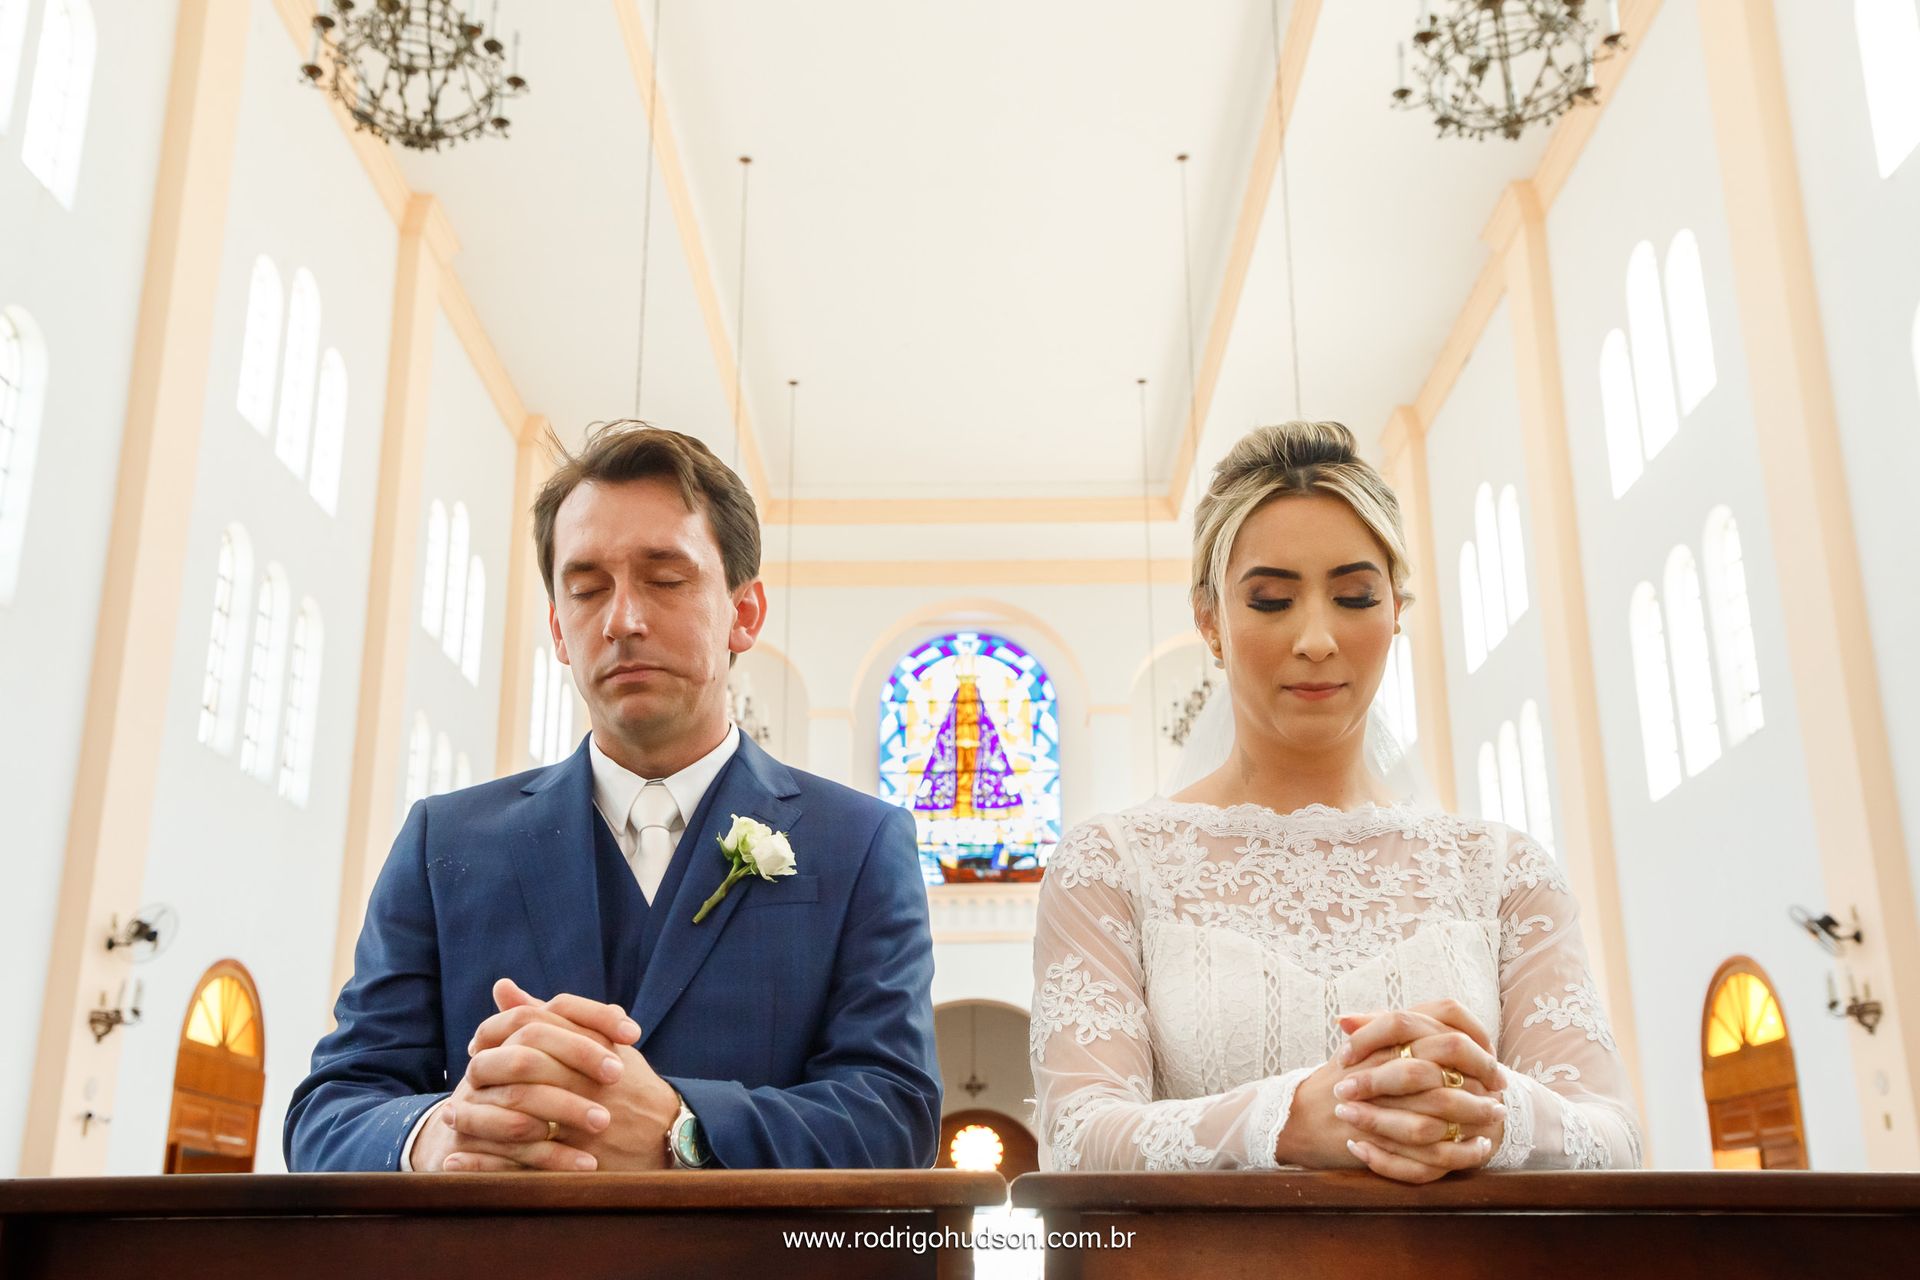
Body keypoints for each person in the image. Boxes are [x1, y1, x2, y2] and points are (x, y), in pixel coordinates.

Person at [286, 423, 940, 1172]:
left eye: (665, 579)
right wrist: (438, 1135)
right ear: (561, 631)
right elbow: (331, 1110)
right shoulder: (445, 842)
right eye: (587, 588)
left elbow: (894, 1117)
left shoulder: (859, 843)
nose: (622, 620)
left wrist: (682, 1130)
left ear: (745, 613)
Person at [1029, 420, 1641, 1181]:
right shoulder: (1114, 866)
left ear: (1395, 612)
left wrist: (1484, 1104)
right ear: (1210, 621)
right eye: (1272, 600)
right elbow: (1080, 1137)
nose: (1317, 637)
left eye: (1354, 596)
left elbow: (1613, 1139)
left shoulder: (1501, 870)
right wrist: (1283, 1121)